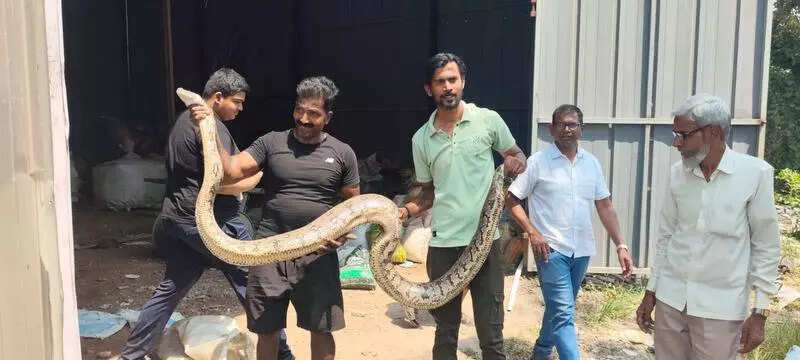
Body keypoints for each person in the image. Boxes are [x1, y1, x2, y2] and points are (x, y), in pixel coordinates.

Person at [115, 68, 294, 360]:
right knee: (253, 285)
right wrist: (257, 178)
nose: (240, 108)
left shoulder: (185, 123)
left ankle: (131, 356)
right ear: (217, 97)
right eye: (236, 101)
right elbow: (221, 181)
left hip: (179, 218)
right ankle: (284, 355)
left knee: (171, 288)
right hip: (211, 223)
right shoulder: (207, 126)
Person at [191, 76, 358, 360]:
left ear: (328, 117)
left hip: (317, 254)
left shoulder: (343, 153)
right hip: (268, 250)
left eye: (313, 114)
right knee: (266, 330)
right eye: (299, 110)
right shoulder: (271, 142)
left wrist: (340, 236)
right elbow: (230, 170)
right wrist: (209, 127)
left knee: (320, 329)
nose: (303, 119)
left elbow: (352, 205)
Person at [398, 52, 527, 360]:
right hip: (444, 246)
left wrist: (513, 161)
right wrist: (403, 213)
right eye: (440, 82)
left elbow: (517, 154)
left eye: (453, 80)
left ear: (463, 82)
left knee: (491, 335)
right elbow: (427, 193)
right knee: (445, 333)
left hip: (485, 246)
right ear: (429, 89)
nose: (448, 87)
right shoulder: (421, 139)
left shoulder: (488, 121)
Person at [635, 94, 780, 359]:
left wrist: (760, 312)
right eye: (675, 134)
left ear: (713, 132)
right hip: (672, 300)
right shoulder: (678, 174)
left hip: (720, 309)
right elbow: (666, 236)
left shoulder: (755, 174)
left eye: (684, 134)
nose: (677, 143)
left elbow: (766, 247)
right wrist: (651, 291)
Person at [505, 104, 634, 360]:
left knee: (559, 309)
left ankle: (541, 352)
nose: (567, 129)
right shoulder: (539, 162)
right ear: (552, 129)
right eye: (561, 124)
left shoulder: (592, 164)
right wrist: (532, 231)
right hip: (550, 250)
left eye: (572, 124)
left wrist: (621, 245)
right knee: (564, 314)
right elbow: (511, 199)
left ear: (581, 130)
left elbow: (605, 206)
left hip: (582, 250)